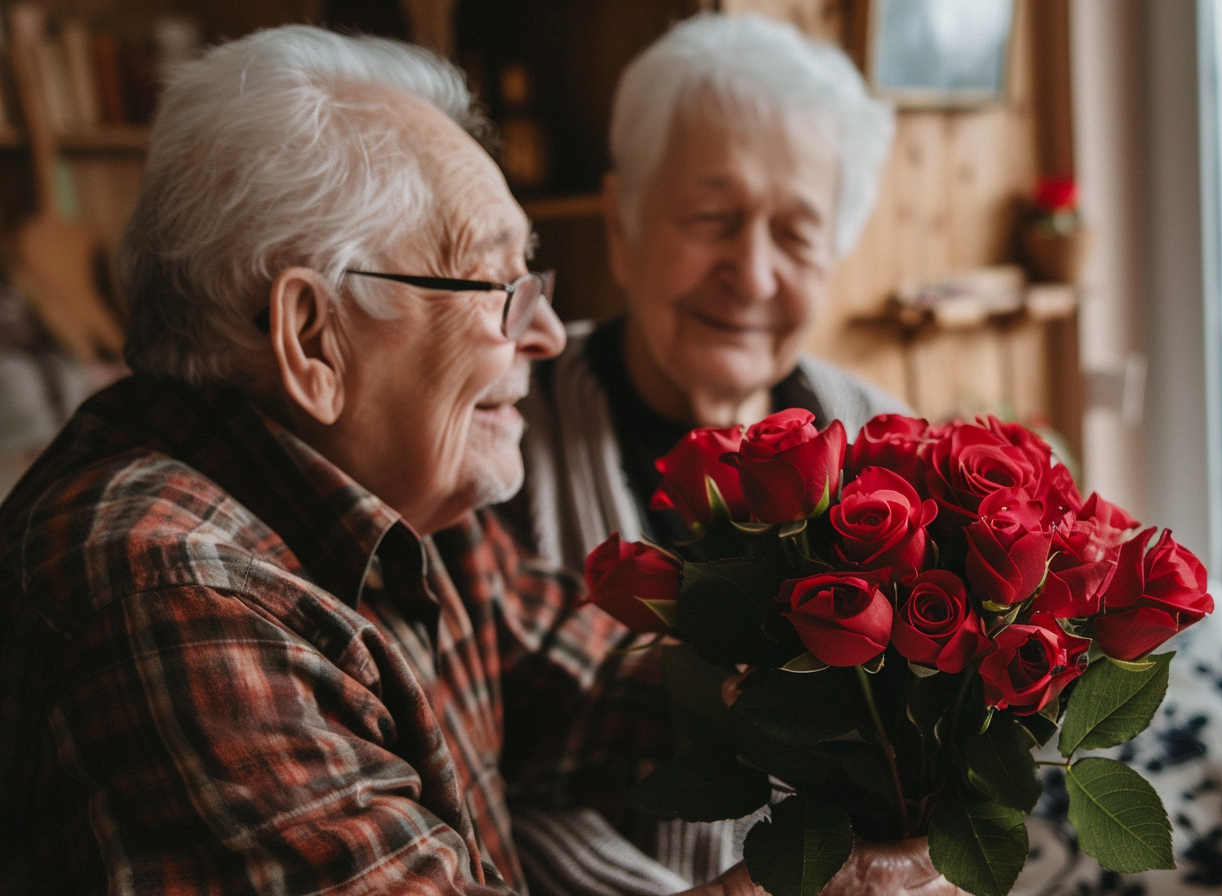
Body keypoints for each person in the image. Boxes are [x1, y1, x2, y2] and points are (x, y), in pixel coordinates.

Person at [0, 23, 960, 896]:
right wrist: (842, 885)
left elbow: (598, 689)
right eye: (494, 285)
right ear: (312, 337)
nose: (544, 333)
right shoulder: (175, 594)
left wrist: (916, 701)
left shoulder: (388, 495)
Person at [501, 12, 919, 894]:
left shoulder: (886, 444)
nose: (755, 272)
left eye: (797, 232)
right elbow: (481, 775)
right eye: (711, 216)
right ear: (623, 222)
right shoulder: (502, 427)